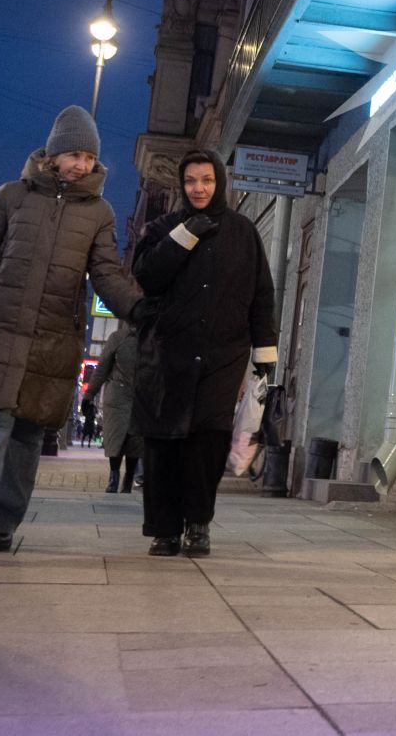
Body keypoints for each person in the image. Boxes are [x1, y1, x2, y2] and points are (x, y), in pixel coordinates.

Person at [0, 106, 143, 560]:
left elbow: (106, 274)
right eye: (74, 154)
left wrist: (140, 309)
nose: (81, 165)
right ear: (53, 154)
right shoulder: (10, 197)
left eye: (89, 157)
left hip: (51, 341)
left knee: (26, 440)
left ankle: (2, 525)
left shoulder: (99, 212)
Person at [129, 149, 277, 557]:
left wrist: (266, 353)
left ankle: (197, 524)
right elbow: (147, 276)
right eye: (191, 180)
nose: (199, 188)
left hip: (222, 355)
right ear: (182, 184)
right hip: (168, 353)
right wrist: (186, 234)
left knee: (207, 442)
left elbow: (262, 295)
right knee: (164, 442)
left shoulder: (243, 232)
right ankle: (164, 529)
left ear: (219, 183)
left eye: (207, 180)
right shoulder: (163, 227)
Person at [83, 324, 142, 492]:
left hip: (139, 398)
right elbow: (101, 369)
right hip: (118, 398)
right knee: (118, 439)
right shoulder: (119, 338)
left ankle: (127, 480)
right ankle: (114, 477)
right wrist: (88, 395)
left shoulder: (152, 339)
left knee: (135, 440)